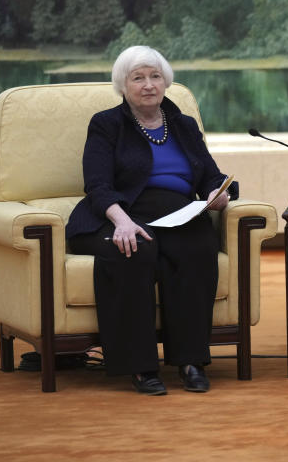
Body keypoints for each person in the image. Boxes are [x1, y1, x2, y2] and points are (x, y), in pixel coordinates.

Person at [66, 45, 237, 395]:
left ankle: (191, 361)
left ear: (166, 82)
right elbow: (97, 184)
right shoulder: (107, 124)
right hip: (122, 212)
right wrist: (121, 222)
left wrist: (216, 196)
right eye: (138, 77)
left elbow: (210, 176)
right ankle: (140, 367)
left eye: (155, 76)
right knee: (134, 250)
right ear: (123, 85)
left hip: (177, 213)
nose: (148, 85)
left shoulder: (184, 125)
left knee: (197, 247)